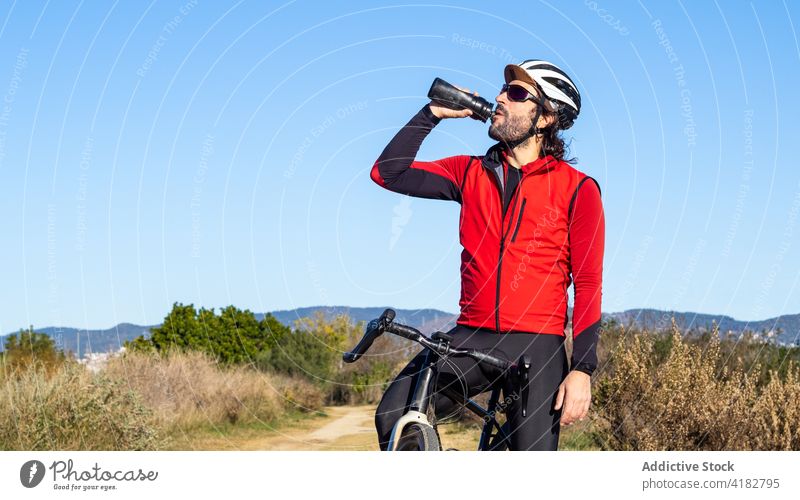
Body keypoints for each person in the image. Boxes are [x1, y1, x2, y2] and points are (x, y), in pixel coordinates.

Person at [370, 60, 605, 450]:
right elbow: (387, 173)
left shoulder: (578, 190)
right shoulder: (469, 173)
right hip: (471, 335)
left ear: (545, 118)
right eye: (503, 89)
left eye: (516, 94)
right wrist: (432, 115)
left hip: (537, 345)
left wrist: (582, 370)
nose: (499, 97)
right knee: (395, 415)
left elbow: (589, 282)